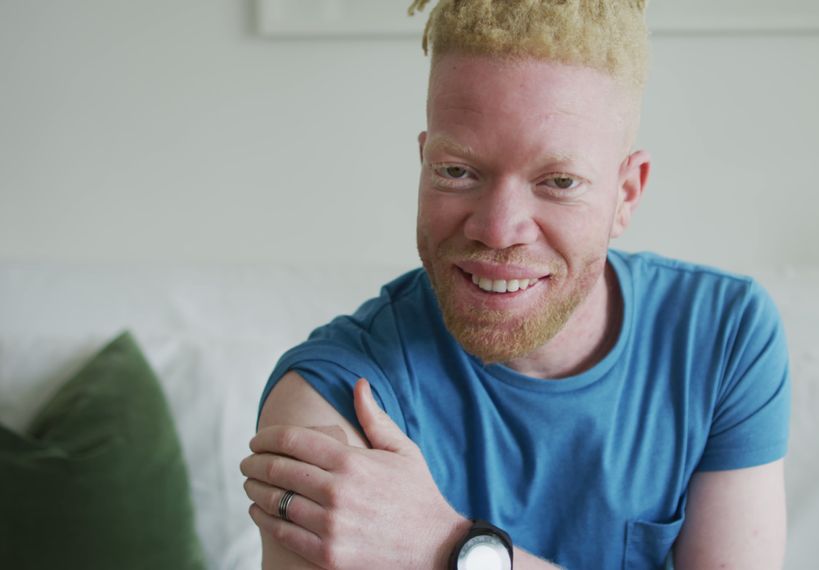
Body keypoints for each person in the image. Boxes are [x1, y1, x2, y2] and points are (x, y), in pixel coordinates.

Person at [240, 1, 790, 568]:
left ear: (626, 194)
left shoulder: (724, 334)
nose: (498, 230)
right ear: (424, 161)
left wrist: (450, 547)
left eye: (558, 181)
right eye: (457, 171)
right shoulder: (330, 400)